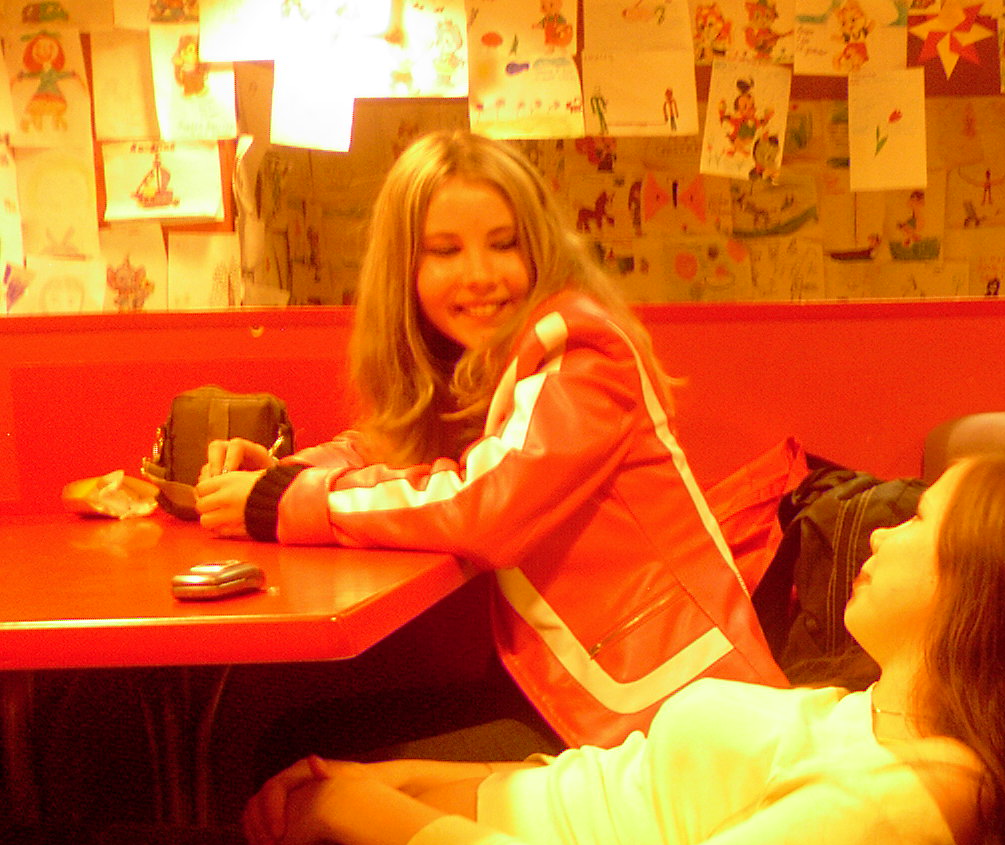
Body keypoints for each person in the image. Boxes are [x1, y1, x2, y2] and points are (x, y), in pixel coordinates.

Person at [228, 451, 1005, 845]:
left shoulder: (909, 801)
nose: (885, 531)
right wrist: (394, 784)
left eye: (922, 522)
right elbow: (605, 793)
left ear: (986, 592)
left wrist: (356, 809)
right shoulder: (876, 719)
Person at [193, 131, 789, 754]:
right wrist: (282, 473)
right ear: (404, 269)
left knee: (300, 753)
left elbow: (486, 505)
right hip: (577, 698)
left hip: (679, 726)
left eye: (504, 244)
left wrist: (286, 503)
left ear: (540, 248)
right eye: (445, 251)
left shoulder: (583, 355)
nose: (479, 275)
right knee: (296, 738)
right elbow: (401, 448)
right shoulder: (490, 359)